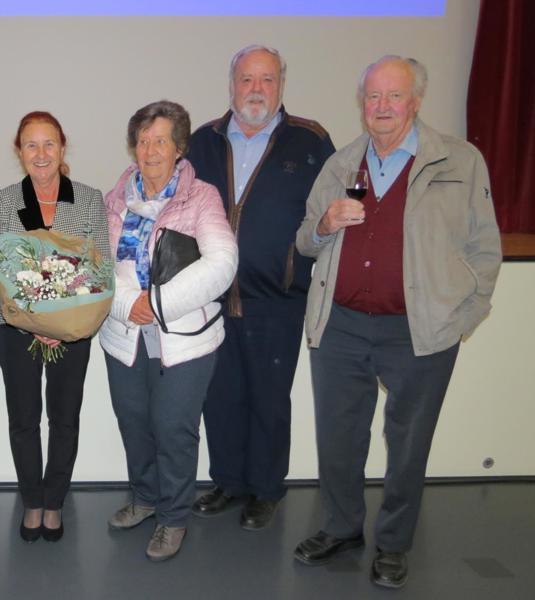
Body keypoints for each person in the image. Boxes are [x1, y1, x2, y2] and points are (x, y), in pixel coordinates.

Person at [293, 56, 501, 588]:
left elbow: (484, 248)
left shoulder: (458, 161)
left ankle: (393, 543)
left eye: (394, 96)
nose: (382, 107)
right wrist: (325, 222)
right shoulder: (341, 164)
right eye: (372, 97)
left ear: (416, 101)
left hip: (418, 330)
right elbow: (304, 241)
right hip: (339, 326)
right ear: (361, 104)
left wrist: (463, 315)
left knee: (409, 443)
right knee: (338, 438)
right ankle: (341, 528)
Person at [187, 45, 335, 530]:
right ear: (231, 85)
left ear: (281, 85)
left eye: (267, 80)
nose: (256, 89)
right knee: (220, 395)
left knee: (270, 398)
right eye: (247, 79)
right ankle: (228, 481)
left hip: (279, 298)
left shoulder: (311, 142)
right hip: (209, 298)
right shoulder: (201, 141)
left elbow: (330, 216)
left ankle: (266, 490)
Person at [100, 100, 238, 561]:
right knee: (134, 422)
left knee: (173, 428)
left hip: (184, 339)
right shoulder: (114, 199)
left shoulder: (202, 197)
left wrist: (155, 305)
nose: (150, 149)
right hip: (125, 336)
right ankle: (144, 498)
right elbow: (95, 266)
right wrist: (126, 305)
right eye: (142, 140)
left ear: (179, 148)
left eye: (161, 140)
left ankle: (174, 517)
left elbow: (222, 263)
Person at [0, 112, 110, 543]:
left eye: (49, 144)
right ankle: (31, 500)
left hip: (72, 333)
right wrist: (33, 319)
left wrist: (62, 322)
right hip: (17, 331)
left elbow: (100, 266)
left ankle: (54, 503)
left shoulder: (89, 199)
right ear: (19, 151)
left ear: (62, 147)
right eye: (31, 145)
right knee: (23, 419)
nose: (41, 154)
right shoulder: (2, 202)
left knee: (64, 418)